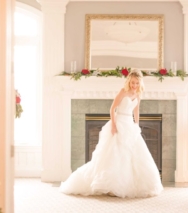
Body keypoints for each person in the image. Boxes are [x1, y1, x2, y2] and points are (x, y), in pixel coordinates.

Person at [60, 69, 163, 198]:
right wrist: (113, 125)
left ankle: (125, 185)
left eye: (137, 83)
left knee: (131, 155)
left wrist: (137, 125)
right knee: (115, 154)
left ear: (140, 83)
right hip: (119, 122)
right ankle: (110, 186)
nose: (134, 85)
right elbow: (112, 108)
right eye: (132, 83)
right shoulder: (123, 91)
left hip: (129, 125)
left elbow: (136, 110)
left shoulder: (138, 94)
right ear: (129, 81)